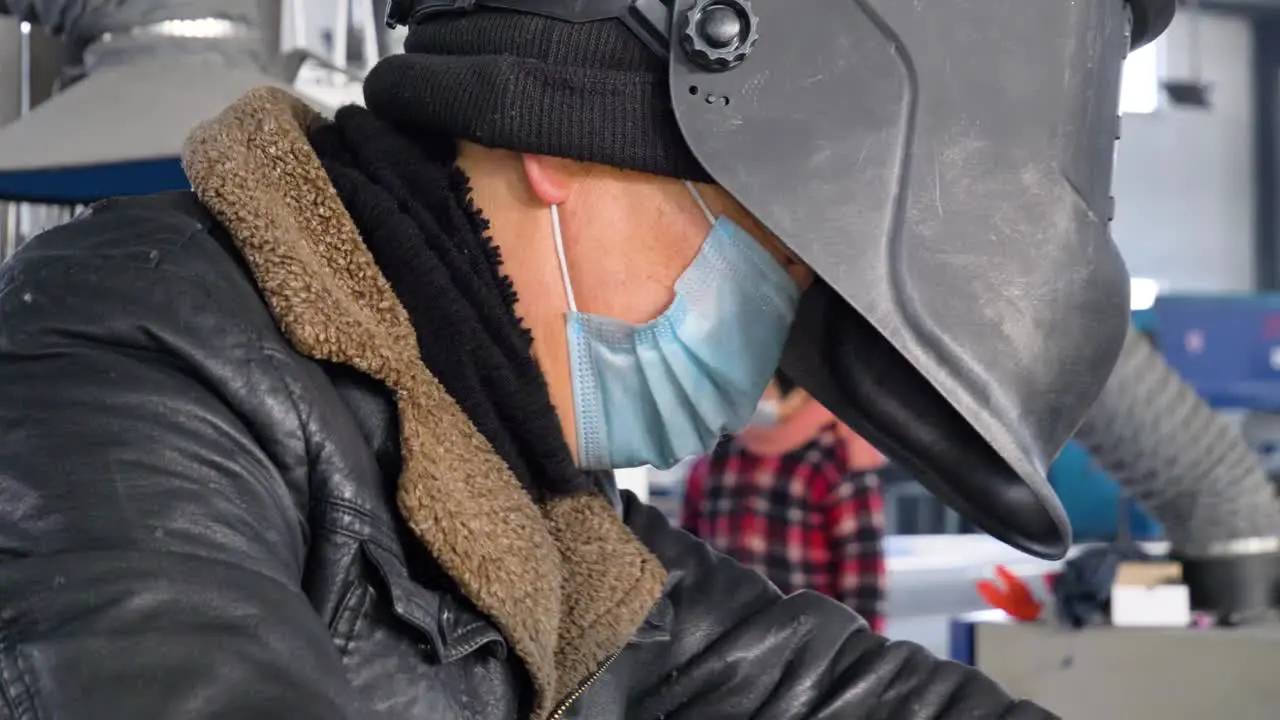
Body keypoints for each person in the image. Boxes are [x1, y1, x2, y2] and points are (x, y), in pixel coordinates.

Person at [0, 0, 1175, 717]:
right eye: (772, 248)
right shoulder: (125, 373)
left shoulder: (525, 505)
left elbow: (808, 691)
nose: (778, 328)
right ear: (572, 144)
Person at [683, 371, 888, 631]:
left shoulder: (837, 457)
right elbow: (691, 550)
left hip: (807, 650)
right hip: (726, 641)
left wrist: (860, 658)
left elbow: (864, 579)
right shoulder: (719, 454)